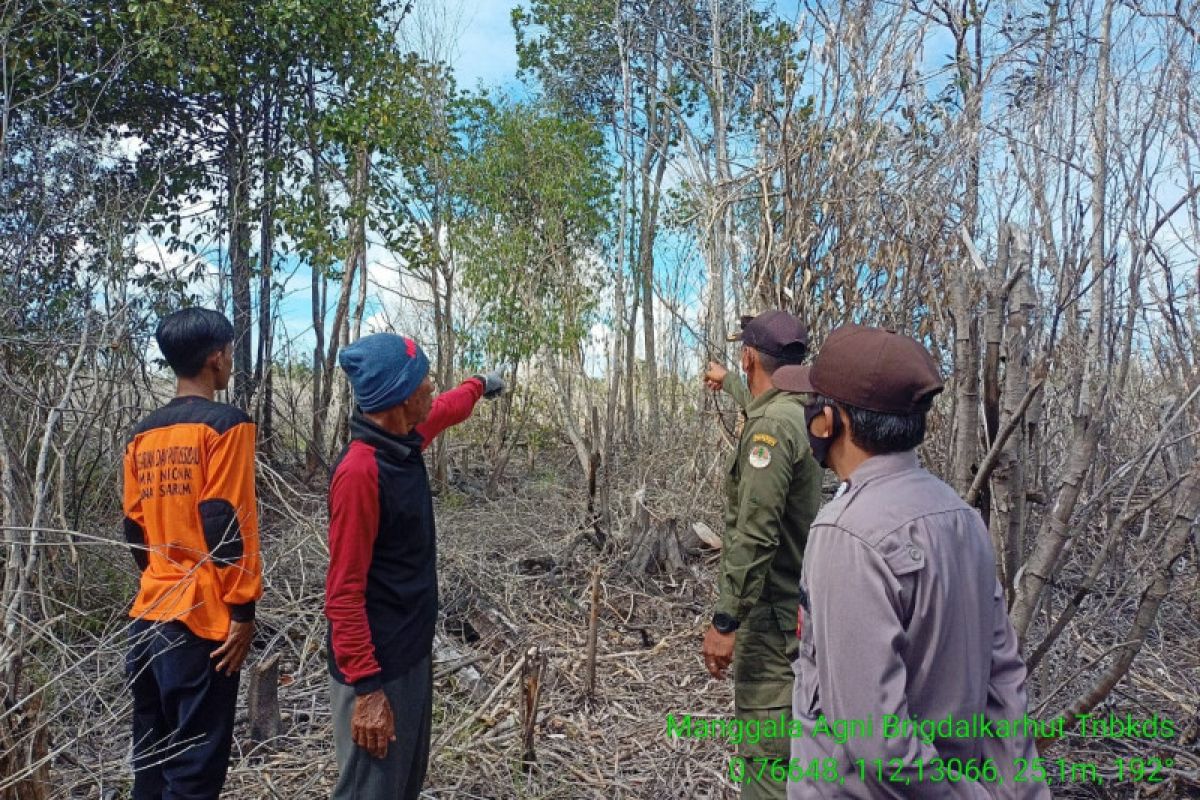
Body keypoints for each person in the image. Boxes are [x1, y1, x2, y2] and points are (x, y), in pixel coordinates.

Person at [773, 325, 1048, 799]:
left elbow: (877, 741)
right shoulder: (960, 517)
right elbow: (1004, 678)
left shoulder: (846, 533)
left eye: (813, 401)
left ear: (829, 419)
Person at [325, 332, 504, 800]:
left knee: (402, 785)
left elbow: (448, 407)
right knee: (369, 792)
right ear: (400, 397)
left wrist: (481, 384)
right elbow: (343, 593)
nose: (432, 388)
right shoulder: (361, 472)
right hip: (376, 668)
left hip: (410, 653)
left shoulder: (404, 436)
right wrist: (366, 690)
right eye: (424, 381)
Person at [122, 307, 262, 800]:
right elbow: (224, 518)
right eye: (229, 353)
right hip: (201, 624)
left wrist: (162, 577)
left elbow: (134, 525)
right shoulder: (227, 426)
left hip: (147, 620)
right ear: (216, 358)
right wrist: (242, 611)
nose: (230, 362)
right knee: (195, 776)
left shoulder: (143, 433)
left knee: (152, 764)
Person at [701, 310, 824, 800]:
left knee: (767, 754)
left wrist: (726, 621)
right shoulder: (807, 410)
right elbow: (766, 401)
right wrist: (729, 381)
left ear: (750, 355)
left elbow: (755, 534)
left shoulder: (770, 428)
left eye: (740, 359)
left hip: (771, 619)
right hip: (803, 609)